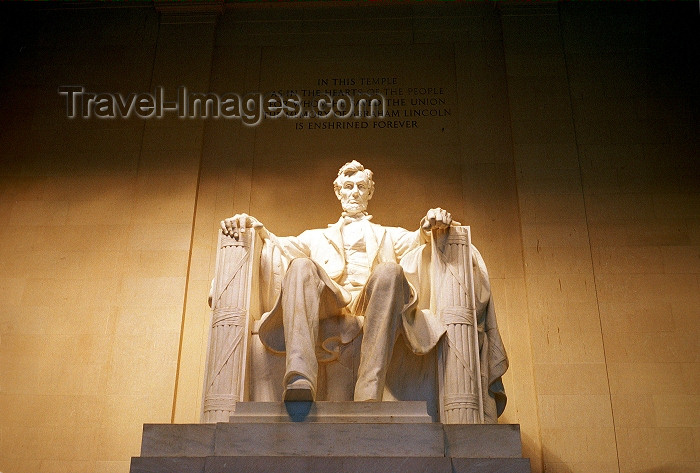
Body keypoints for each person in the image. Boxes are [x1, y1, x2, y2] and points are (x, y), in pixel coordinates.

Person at [221, 160, 453, 402]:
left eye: (361, 187)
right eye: (349, 186)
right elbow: (277, 244)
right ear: (338, 191)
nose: (354, 192)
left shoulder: (389, 234)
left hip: (372, 301)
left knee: (391, 271)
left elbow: (419, 239)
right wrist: (252, 226)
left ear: (370, 192)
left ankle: (369, 387)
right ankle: (300, 378)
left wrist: (433, 224)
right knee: (300, 265)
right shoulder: (315, 236)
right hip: (331, 300)